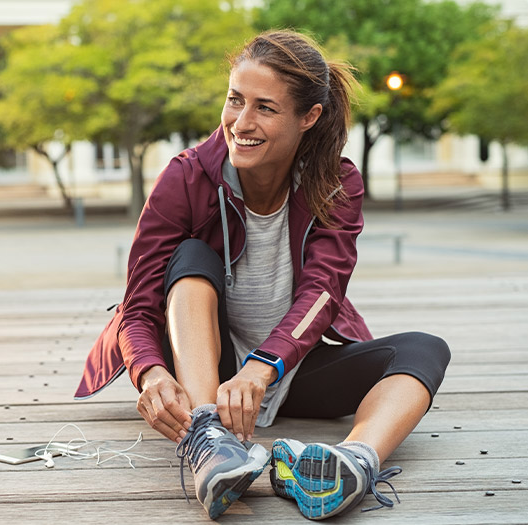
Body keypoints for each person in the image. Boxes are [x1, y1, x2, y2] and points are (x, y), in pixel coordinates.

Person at [75, 29, 450, 521]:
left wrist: (263, 366)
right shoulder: (185, 178)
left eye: (265, 108)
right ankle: (209, 441)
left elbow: (323, 292)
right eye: (235, 100)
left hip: (287, 367)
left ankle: (354, 462)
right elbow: (139, 305)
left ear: (308, 117)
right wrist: (150, 372)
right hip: (205, 373)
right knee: (190, 257)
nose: (241, 122)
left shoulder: (337, 183)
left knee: (425, 349)